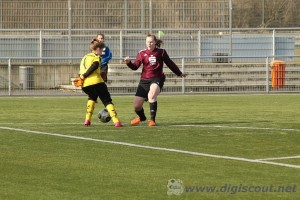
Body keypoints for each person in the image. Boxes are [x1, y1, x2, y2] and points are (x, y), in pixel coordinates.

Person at [124, 33, 187, 126]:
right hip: (144, 80)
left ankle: (152, 120)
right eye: (147, 42)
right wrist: (129, 63)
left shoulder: (161, 52)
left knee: (151, 95)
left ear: (155, 42)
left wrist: (179, 73)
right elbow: (135, 67)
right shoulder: (141, 53)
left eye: (151, 42)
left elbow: (170, 63)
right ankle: (142, 118)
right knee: (137, 106)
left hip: (157, 78)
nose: (149, 44)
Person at [79, 39, 122, 127]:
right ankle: (116, 121)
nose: (102, 51)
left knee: (92, 97)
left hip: (85, 85)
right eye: (102, 49)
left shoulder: (84, 57)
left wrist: (82, 77)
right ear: (97, 49)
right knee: (107, 100)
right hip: (96, 82)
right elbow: (94, 66)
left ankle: (87, 120)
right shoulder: (96, 57)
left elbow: (82, 70)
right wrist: (85, 75)